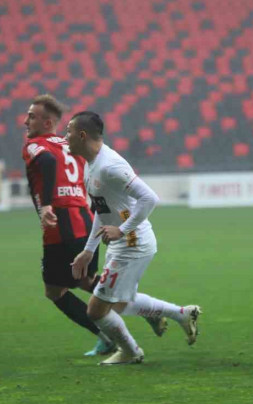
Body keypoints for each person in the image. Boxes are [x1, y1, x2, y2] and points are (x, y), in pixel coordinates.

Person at [22, 95, 166, 357]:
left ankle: (109, 338)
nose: (26, 121)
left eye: (31, 116)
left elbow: (47, 163)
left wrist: (45, 205)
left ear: (47, 121)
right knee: (88, 280)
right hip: (87, 218)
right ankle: (147, 313)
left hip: (62, 220)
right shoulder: (77, 151)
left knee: (55, 290)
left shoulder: (36, 145)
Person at [68, 111, 201, 366]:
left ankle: (131, 351)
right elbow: (102, 210)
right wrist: (88, 250)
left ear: (82, 135)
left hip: (133, 244)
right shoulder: (91, 164)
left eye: (69, 131)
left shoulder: (110, 166)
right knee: (118, 304)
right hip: (124, 243)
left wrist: (122, 229)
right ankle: (182, 314)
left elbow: (150, 198)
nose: (66, 137)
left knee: (97, 310)